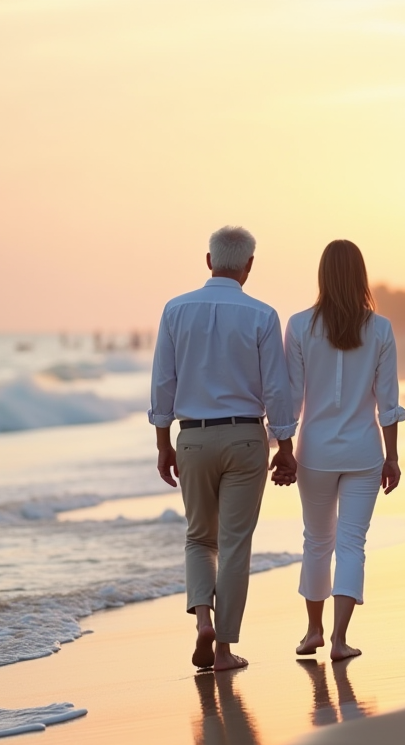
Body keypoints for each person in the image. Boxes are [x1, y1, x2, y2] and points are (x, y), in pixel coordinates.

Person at [149, 225, 298, 672]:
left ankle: (202, 623)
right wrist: (285, 446)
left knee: (199, 537)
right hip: (245, 437)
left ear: (209, 260)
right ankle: (224, 649)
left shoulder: (175, 310)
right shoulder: (262, 315)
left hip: (192, 436)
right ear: (248, 266)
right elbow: (276, 388)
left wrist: (163, 443)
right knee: (234, 544)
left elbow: (163, 381)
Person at [285, 240, 405, 662]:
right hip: (363, 451)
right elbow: (388, 401)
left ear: (322, 275)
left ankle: (312, 632)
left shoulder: (299, 326)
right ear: (361, 276)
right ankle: (339, 640)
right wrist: (392, 457)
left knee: (316, 540)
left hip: (315, 451)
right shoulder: (381, 329)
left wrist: (280, 444)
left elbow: (292, 398)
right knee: (352, 543)